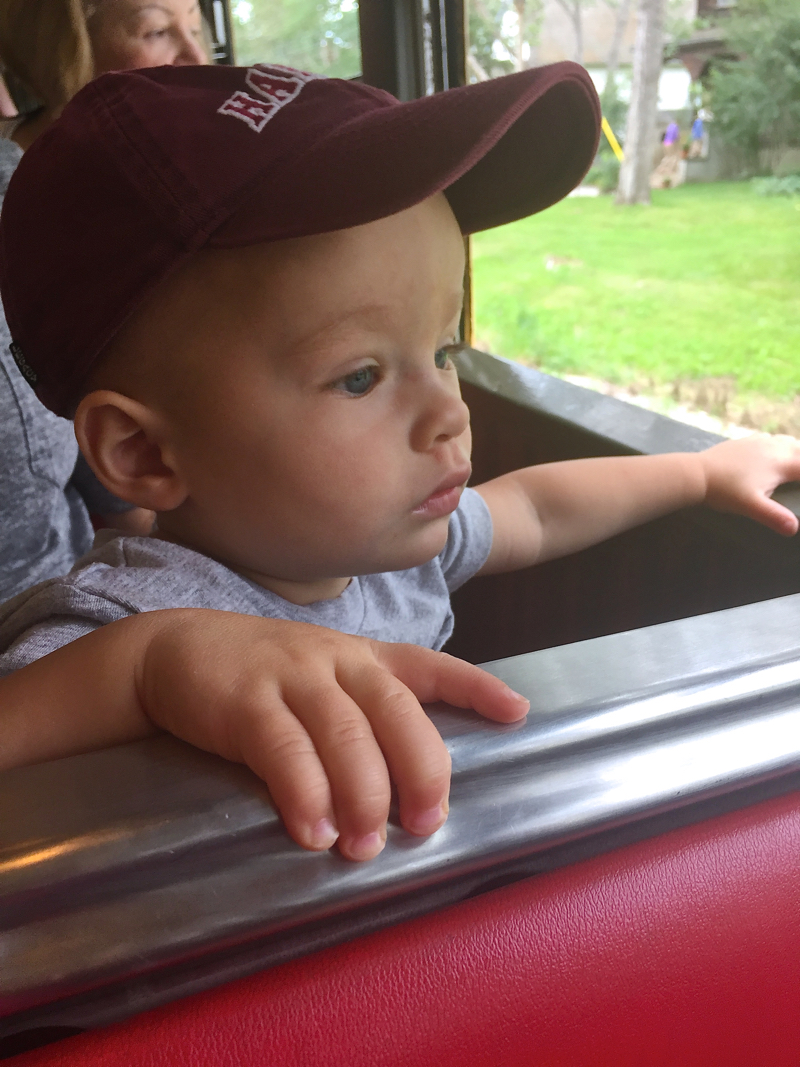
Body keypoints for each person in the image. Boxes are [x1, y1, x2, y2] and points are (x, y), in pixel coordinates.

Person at [3, 63, 800, 864]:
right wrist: (147, 668)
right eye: (361, 376)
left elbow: (537, 509)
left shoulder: (382, 549)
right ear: (143, 451)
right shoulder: (116, 620)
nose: (451, 412)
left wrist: (700, 473)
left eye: (444, 349)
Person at [0, 0, 206, 601]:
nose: (197, 59)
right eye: (157, 30)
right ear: (62, 50)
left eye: (198, 29)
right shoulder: (40, 212)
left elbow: (118, 493)